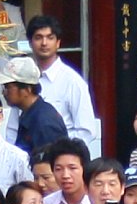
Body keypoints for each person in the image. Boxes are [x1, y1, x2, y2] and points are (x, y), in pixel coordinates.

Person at [25, 15, 100, 148]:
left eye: (50, 37)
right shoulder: (23, 79)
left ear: (58, 43)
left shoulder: (72, 81)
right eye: (38, 37)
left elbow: (87, 130)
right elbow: (12, 130)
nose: (44, 43)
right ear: (30, 43)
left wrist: (60, 150)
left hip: (60, 160)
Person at [1, 58, 67, 158]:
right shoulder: (29, 113)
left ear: (27, 90)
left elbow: (49, 166)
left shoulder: (44, 122)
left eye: (7, 87)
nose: (4, 92)